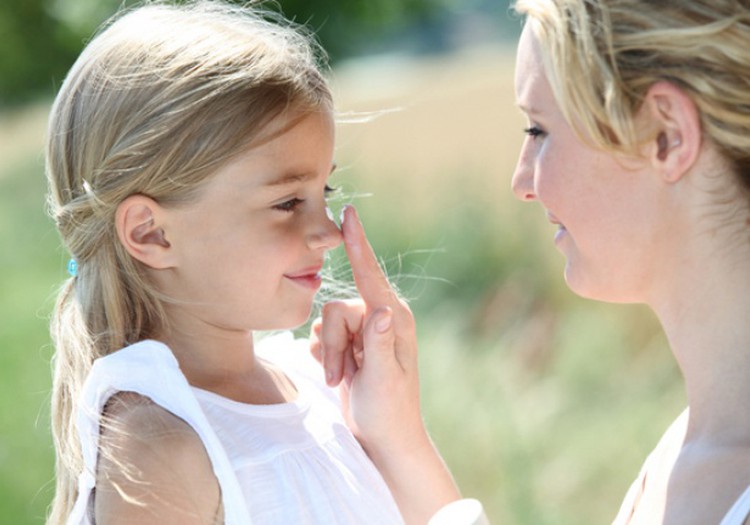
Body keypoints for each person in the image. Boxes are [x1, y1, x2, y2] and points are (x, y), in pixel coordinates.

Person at [316, 0, 750, 523]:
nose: (520, 182)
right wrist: (398, 442)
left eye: (538, 131)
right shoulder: (686, 449)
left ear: (667, 136)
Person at [44, 2, 461, 524]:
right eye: (288, 203)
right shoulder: (160, 448)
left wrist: (397, 436)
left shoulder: (319, 392)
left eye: (324, 190)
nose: (329, 233)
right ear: (150, 233)